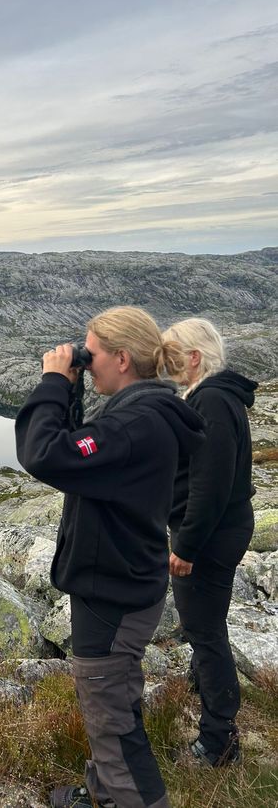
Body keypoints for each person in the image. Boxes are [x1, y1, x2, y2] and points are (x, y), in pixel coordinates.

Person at [15, 306, 205, 808]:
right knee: (113, 703)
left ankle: (129, 796)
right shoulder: (140, 414)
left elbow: (44, 455)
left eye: (91, 352)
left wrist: (54, 381)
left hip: (113, 593)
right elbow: (78, 459)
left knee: (112, 721)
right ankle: (102, 793)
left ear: (122, 359)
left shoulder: (134, 424)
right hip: (120, 583)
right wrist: (74, 386)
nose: (85, 359)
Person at [162, 318, 257, 768]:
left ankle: (218, 741)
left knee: (206, 633)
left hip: (210, 537)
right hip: (220, 530)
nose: (165, 362)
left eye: (172, 353)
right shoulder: (213, 397)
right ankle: (206, 696)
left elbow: (211, 485)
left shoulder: (213, 402)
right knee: (205, 625)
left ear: (194, 357)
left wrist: (187, 547)